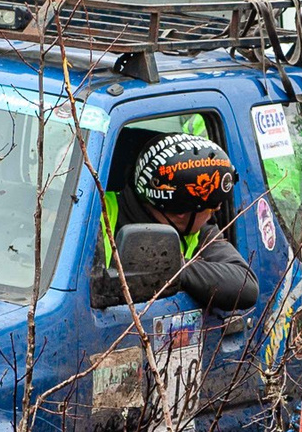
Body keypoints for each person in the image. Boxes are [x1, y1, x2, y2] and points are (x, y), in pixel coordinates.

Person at [104, 130, 258, 312]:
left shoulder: (199, 230)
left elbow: (246, 285)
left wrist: (172, 267)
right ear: (180, 213)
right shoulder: (97, 215)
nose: (215, 212)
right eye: (211, 206)